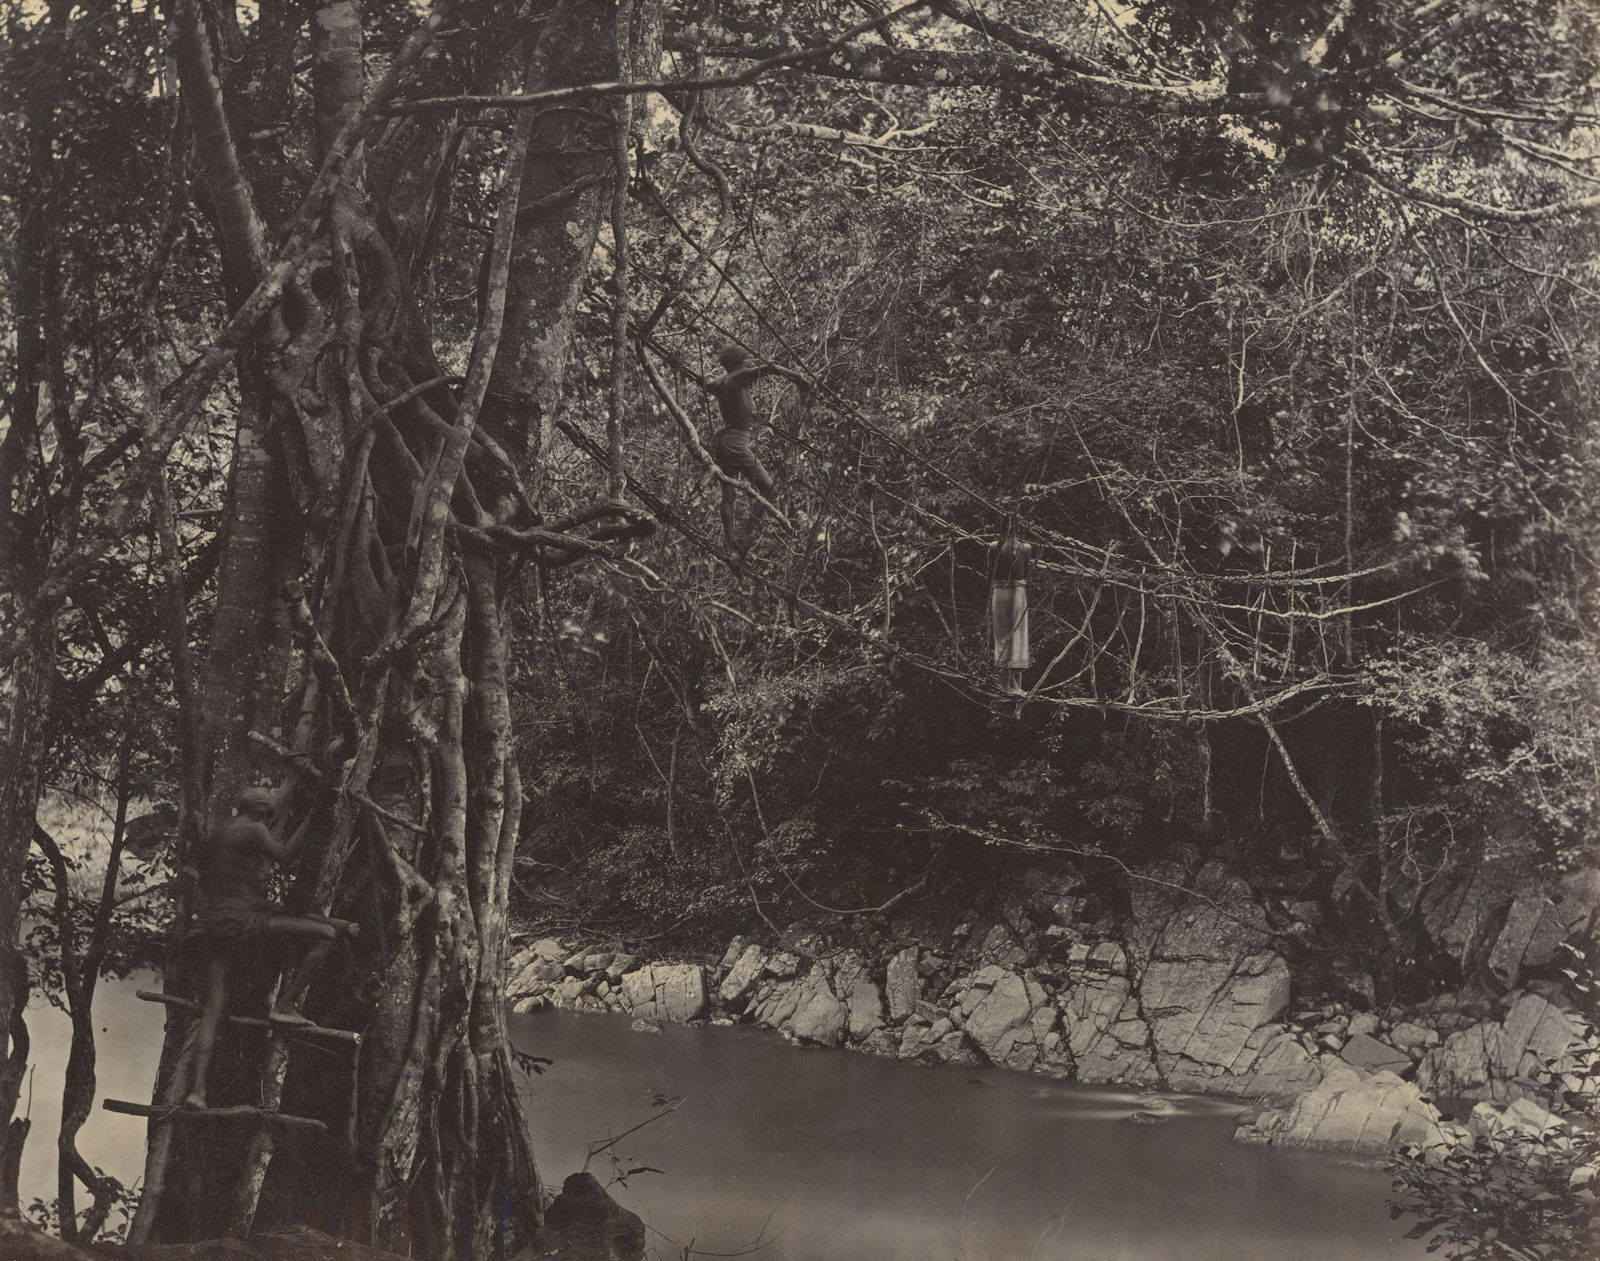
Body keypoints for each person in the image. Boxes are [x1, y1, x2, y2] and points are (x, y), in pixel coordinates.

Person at [182, 785, 353, 1108]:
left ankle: (197, 1091)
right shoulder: (256, 829)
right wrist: (314, 816)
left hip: (215, 923)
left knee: (212, 1010)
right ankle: (284, 1006)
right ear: (262, 809)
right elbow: (287, 856)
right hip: (241, 921)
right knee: (324, 935)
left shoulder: (225, 828)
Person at [706, 345, 809, 553]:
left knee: (729, 495)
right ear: (740, 363)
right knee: (769, 490)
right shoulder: (738, 377)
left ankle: (730, 543)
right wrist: (799, 379)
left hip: (723, 441)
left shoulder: (719, 383)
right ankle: (742, 538)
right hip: (735, 442)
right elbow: (770, 369)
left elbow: (708, 383)